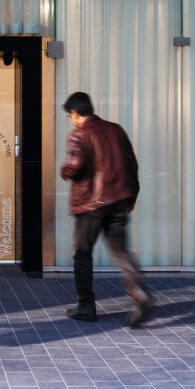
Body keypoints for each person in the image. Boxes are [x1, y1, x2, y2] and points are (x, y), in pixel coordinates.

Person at [59, 92, 155, 328]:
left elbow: (74, 167)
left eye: (70, 114)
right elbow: (132, 163)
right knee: (121, 251)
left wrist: (65, 171)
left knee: (82, 254)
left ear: (75, 113)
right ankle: (139, 293)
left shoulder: (79, 135)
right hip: (120, 200)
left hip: (91, 205)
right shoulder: (116, 130)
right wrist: (132, 195)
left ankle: (86, 306)